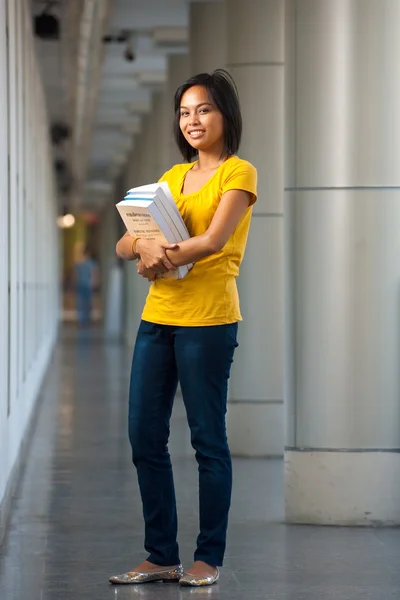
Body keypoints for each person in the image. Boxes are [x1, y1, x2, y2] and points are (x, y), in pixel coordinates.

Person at [110, 69, 257, 588]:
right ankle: (160, 554)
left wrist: (155, 253)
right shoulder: (170, 179)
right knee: (144, 437)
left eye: (204, 110)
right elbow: (125, 241)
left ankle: (207, 557)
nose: (192, 120)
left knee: (207, 441)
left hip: (209, 322)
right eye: (185, 112)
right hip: (158, 320)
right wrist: (144, 249)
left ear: (224, 116)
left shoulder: (238, 174)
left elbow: (214, 240)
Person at [74, 245, 98, 326]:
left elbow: (76, 274)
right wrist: (95, 283)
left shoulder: (79, 263)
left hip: (81, 284)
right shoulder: (91, 263)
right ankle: (87, 318)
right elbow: (93, 274)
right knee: (88, 302)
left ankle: (82, 319)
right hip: (88, 284)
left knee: (81, 302)